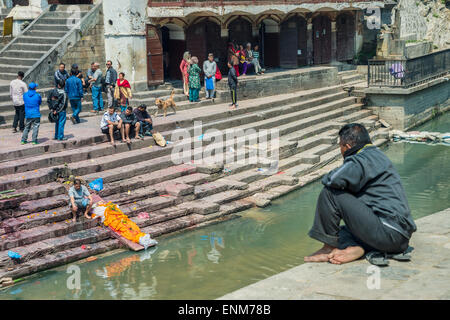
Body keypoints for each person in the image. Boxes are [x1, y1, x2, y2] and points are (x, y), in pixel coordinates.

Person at [304, 123, 417, 265]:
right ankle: (357, 248)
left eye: (340, 146)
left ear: (347, 146)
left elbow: (333, 179)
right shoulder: (377, 154)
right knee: (340, 231)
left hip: (387, 233)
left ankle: (328, 248)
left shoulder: (361, 159)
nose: (340, 149)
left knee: (330, 193)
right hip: (400, 239)